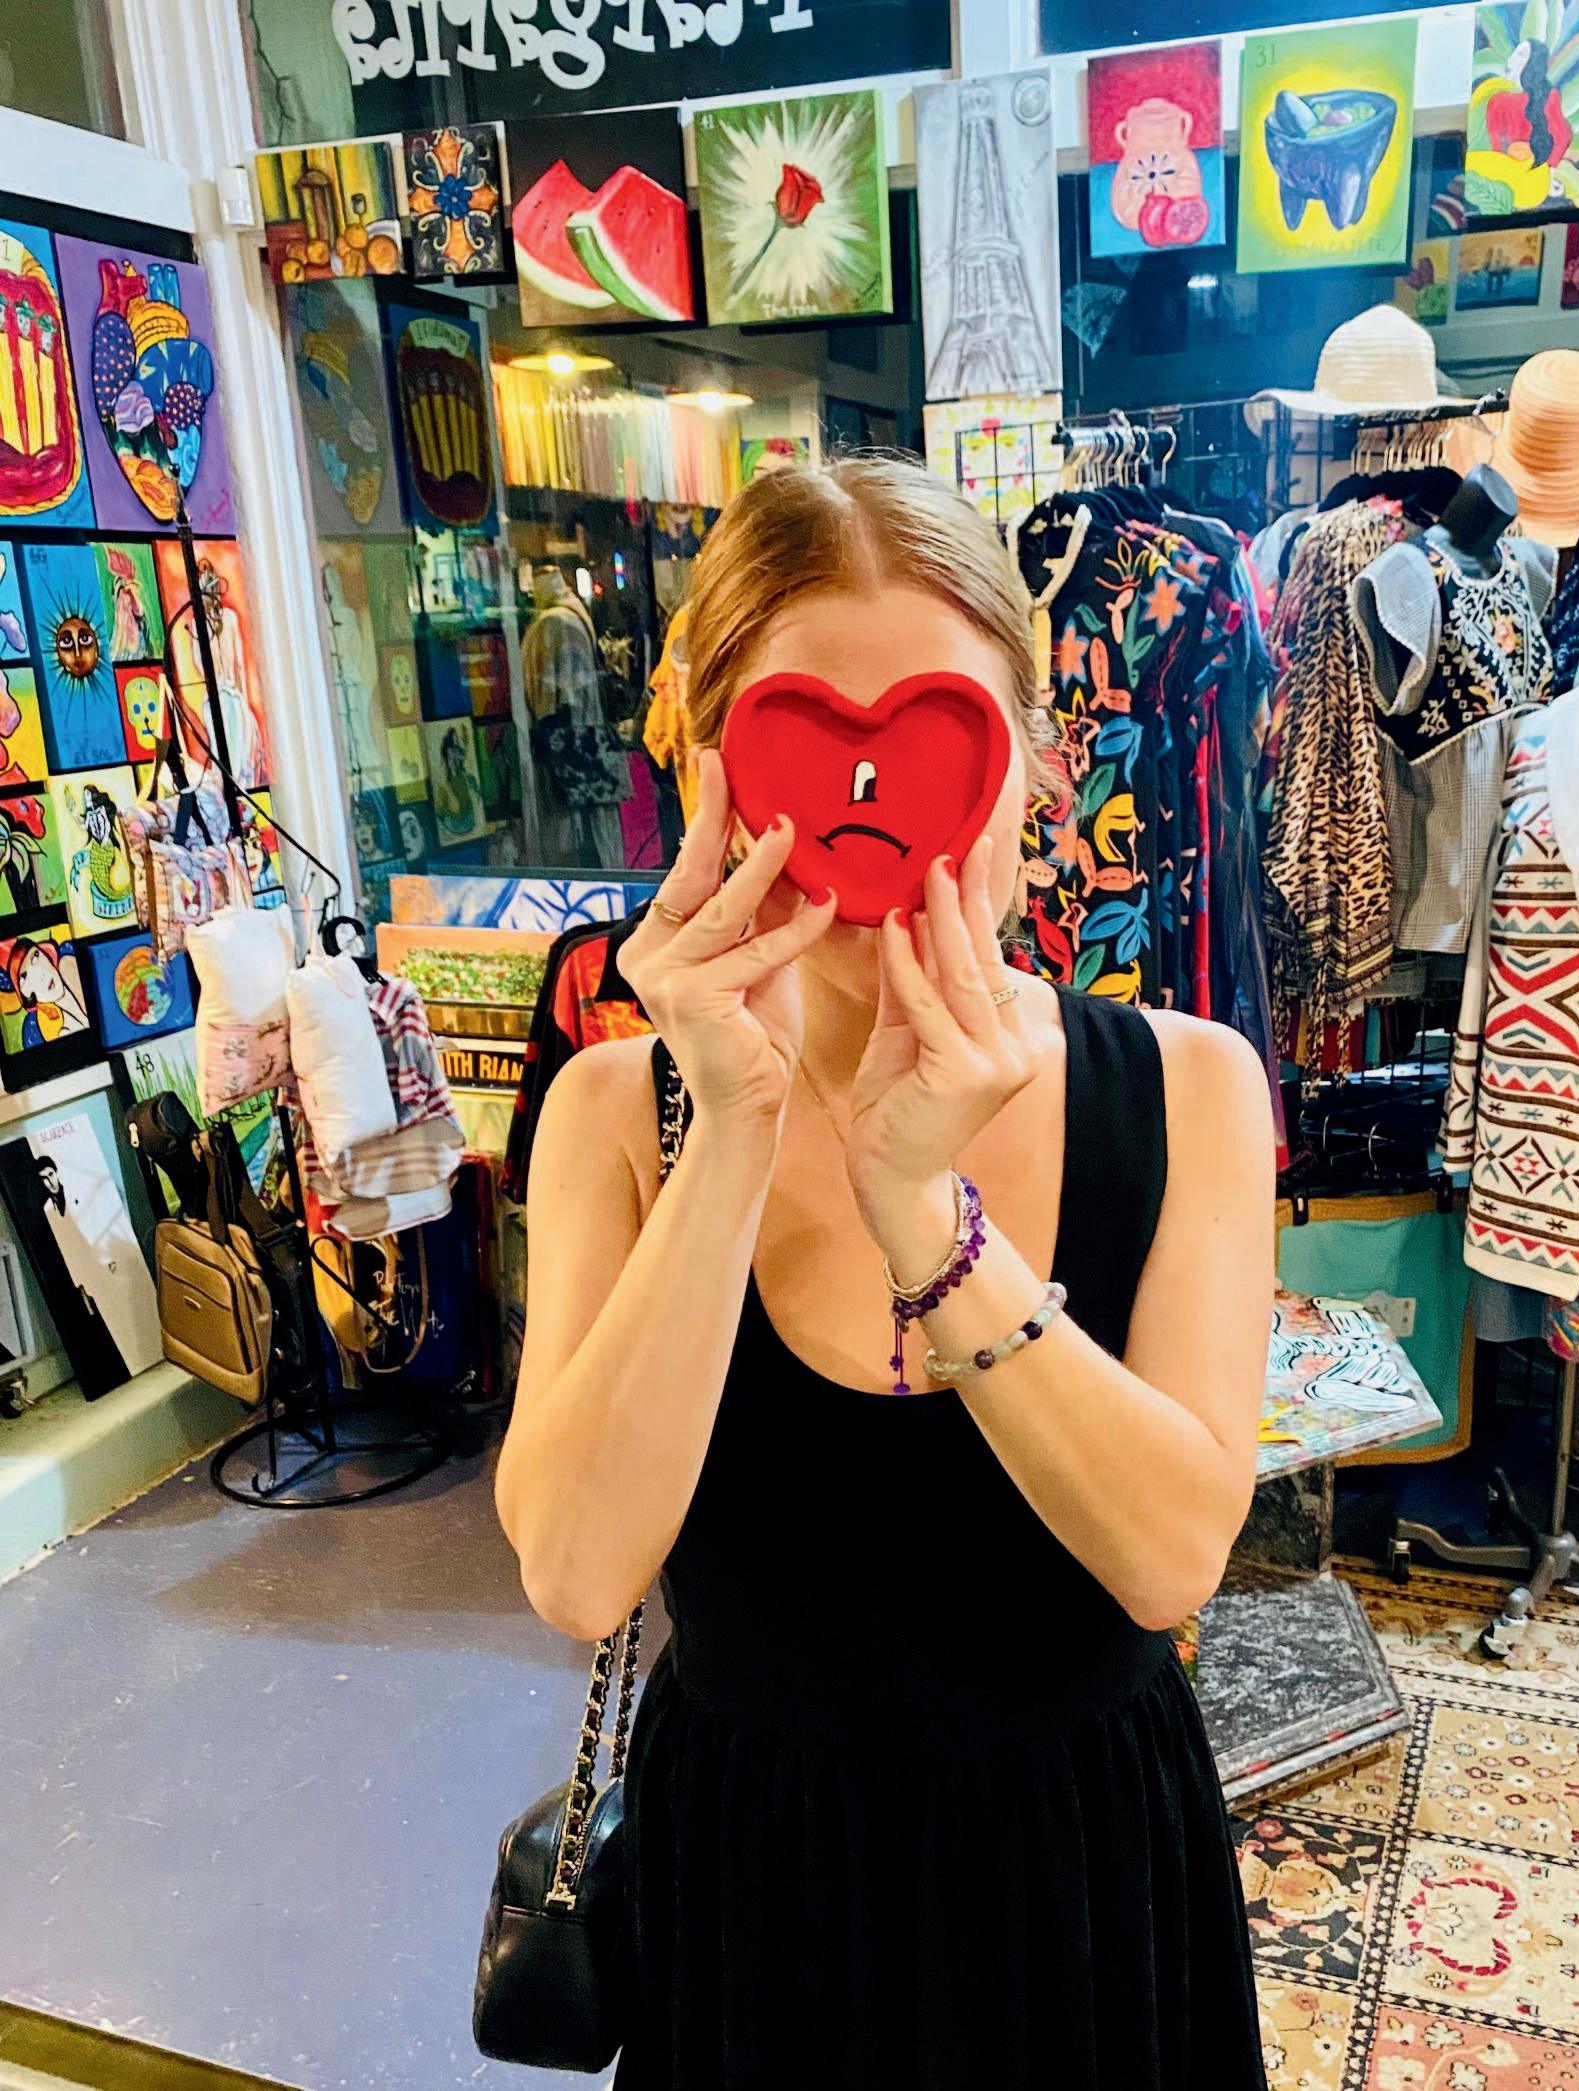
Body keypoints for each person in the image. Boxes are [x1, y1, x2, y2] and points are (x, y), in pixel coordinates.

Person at [497, 456, 1274, 2091]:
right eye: (803, 746)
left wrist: (922, 1207)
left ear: (1030, 773)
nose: (866, 814)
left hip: (1083, 1881)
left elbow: (1170, 1561)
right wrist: (730, 1131)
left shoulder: (1191, 1089)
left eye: (932, 744)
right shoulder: (613, 1118)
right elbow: (575, 1572)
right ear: (706, 767)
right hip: (752, 1891)